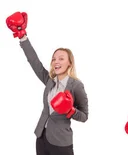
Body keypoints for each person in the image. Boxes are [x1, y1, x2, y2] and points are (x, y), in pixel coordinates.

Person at [7, 11, 89, 155]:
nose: (56, 61)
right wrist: (23, 37)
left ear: (70, 63)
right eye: (54, 59)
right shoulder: (50, 81)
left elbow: (84, 116)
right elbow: (34, 62)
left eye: (61, 58)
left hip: (61, 141)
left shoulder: (76, 85)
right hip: (41, 136)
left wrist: (70, 111)